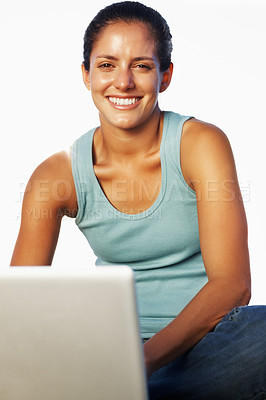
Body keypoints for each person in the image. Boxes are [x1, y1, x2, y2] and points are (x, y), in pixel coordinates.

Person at [10, 1, 266, 399]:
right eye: (107, 65)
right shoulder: (56, 176)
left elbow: (233, 284)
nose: (124, 82)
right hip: (107, 349)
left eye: (142, 66)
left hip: (207, 346)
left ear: (165, 76)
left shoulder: (200, 144)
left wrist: (139, 365)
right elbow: (19, 306)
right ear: (86, 74)